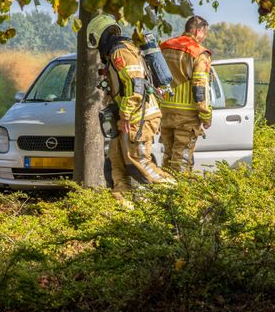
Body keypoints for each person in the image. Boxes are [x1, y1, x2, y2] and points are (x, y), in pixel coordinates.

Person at [86, 14, 172, 199]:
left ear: (101, 35)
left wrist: (124, 115)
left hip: (138, 118)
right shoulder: (116, 53)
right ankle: (122, 216)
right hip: (126, 119)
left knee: (139, 164)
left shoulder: (120, 51)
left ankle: (179, 196)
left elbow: (135, 85)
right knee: (116, 166)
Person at [158, 16, 213, 172]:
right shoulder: (199, 53)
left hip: (165, 113)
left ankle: (163, 193)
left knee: (167, 157)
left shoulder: (164, 47)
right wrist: (205, 115)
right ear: (197, 31)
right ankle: (178, 194)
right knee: (181, 161)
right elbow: (199, 88)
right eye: (204, 34)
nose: (204, 38)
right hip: (186, 116)